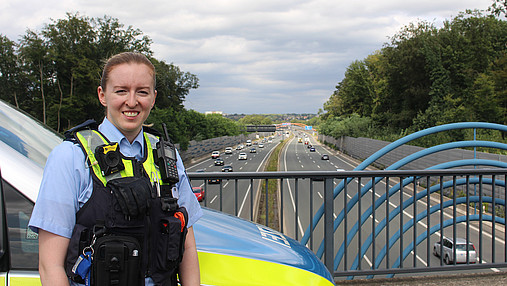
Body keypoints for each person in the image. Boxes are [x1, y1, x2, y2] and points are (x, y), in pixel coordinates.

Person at [29, 52, 203, 286]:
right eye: (121, 91)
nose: (132, 102)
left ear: (153, 97)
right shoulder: (70, 157)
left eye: (142, 91)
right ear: (102, 95)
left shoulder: (165, 155)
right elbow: (50, 266)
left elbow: (187, 241)